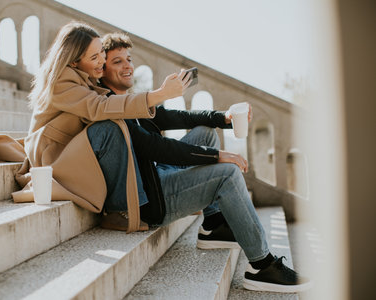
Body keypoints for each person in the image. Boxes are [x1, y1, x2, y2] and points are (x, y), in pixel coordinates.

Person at [97, 32, 312, 293]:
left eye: (128, 59)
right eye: (117, 61)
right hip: (149, 201)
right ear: (101, 69)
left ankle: (213, 225)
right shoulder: (109, 108)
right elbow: (158, 148)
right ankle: (262, 266)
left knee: (207, 131)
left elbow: (179, 117)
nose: (128, 66)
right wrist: (219, 156)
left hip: (154, 176)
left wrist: (225, 117)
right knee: (227, 174)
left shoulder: (131, 103)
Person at [21, 21, 191, 233]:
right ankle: (118, 211)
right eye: (94, 57)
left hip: (72, 150)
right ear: (74, 62)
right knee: (110, 127)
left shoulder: (86, 77)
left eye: (101, 51)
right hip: (52, 158)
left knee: (118, 126)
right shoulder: (61, 81)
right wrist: (159, 95)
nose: (102, 60)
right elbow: (99, 107)